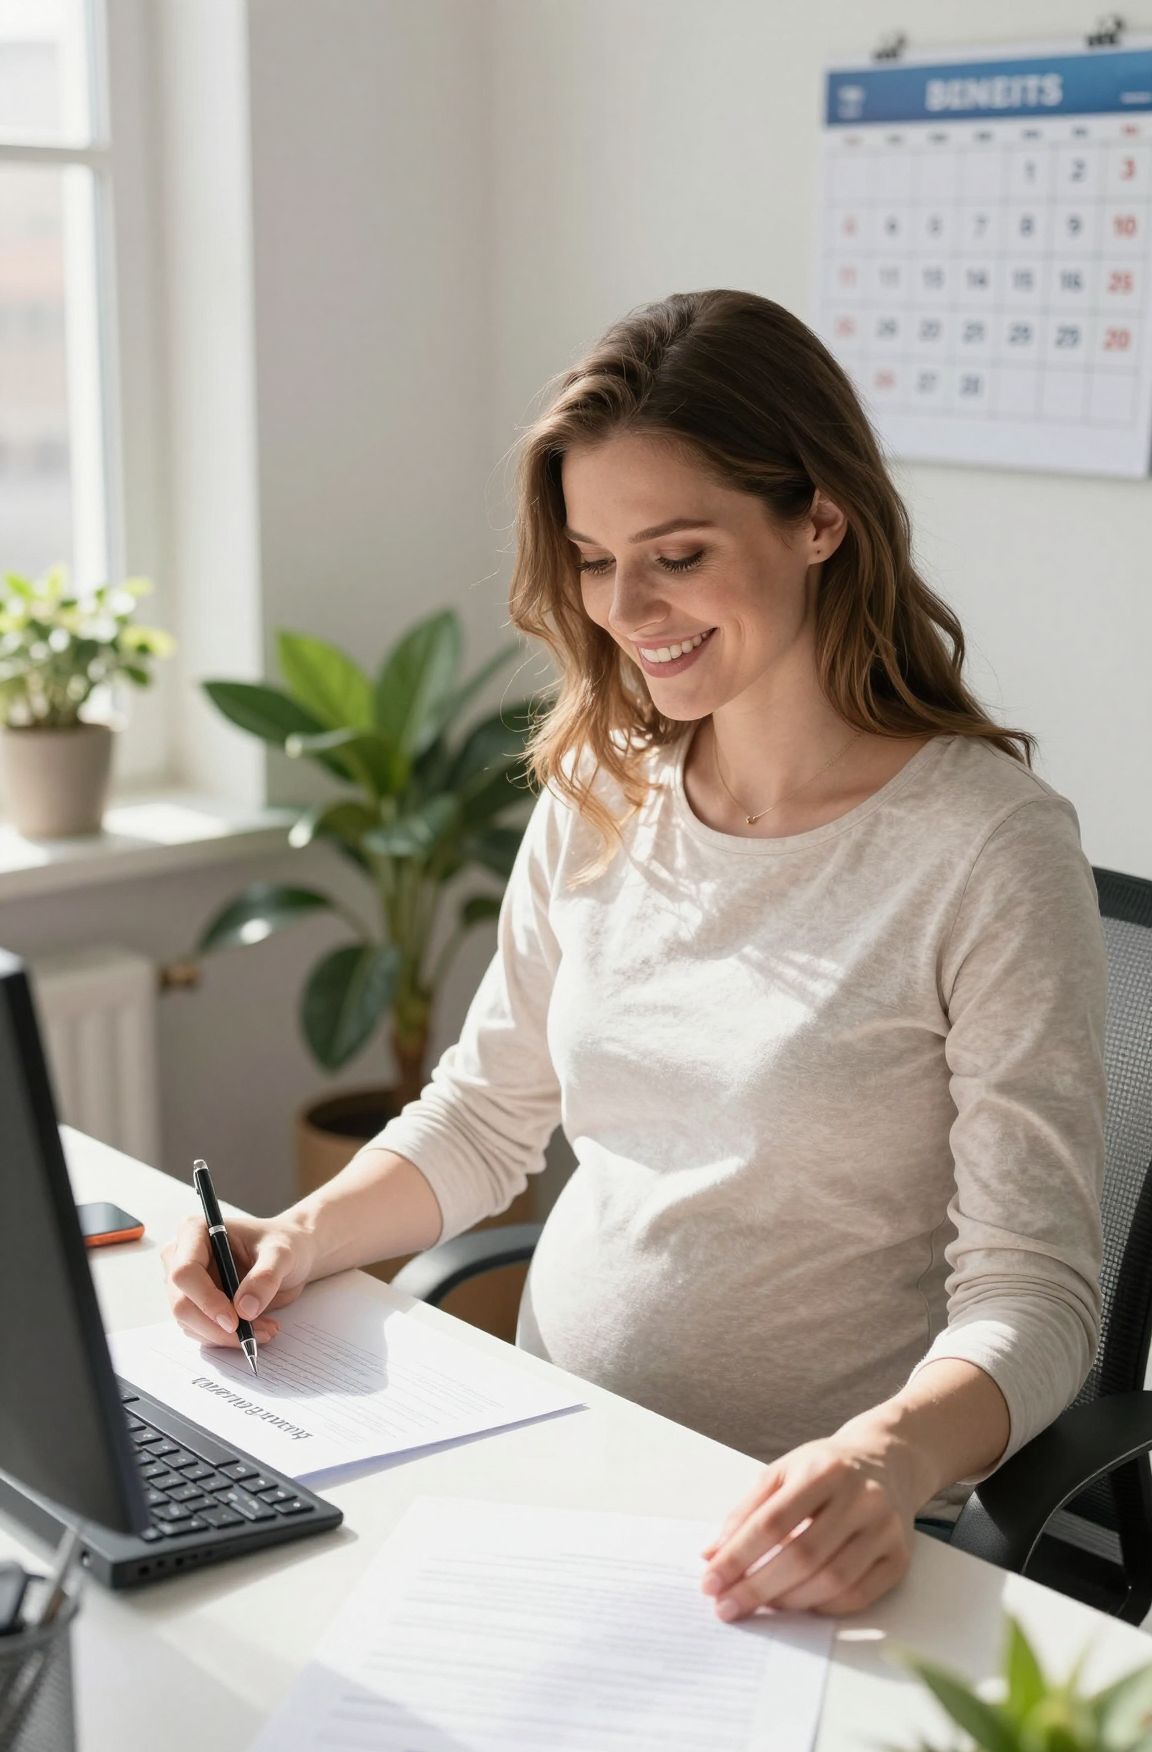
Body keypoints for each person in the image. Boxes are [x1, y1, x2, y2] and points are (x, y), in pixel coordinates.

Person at [163, 289, 1107, 1622]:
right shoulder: (601, 785)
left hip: (813, 1534)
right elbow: (486, 1117)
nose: (627, 608)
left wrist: (886, 1458)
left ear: (821, 518)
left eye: (675, 552)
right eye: (597, 559)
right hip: (556, 1454)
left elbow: (1038, 1292)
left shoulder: (986, 850)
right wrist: (297, 1237)